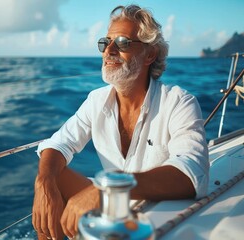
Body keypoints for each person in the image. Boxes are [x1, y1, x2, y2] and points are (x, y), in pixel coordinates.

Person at [32, 4, 209, 240]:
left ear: (150, 54)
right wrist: (44, 183)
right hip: (112, 212)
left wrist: (109, 190)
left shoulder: (179, 102)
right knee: (52, 175)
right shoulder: (96, 100)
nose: (109, 50)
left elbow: (191, 173)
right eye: (105, 43)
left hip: (156, 216)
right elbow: (57, 144)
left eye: (123, 42)